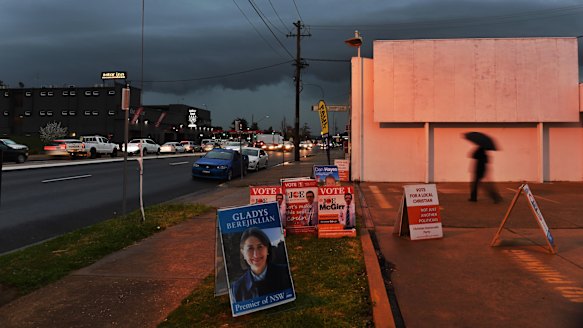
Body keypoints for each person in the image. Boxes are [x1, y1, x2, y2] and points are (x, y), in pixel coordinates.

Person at [231, 228, 293, 302]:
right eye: (250, 248)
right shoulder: (236, 288)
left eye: (260, 247)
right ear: (243, 253)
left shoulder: (286, 274)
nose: (256, 254)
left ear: (267, 249)